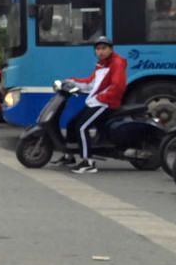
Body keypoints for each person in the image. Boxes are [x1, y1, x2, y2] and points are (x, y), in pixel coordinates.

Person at [55, 34, 128, 174]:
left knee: (82, 127)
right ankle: (69, 157)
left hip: (106, 103)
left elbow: (118, 86)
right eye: (98, 49)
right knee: (71, 124)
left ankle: (88, 162)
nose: (100, 51)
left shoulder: (117, 63)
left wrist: (102, 97)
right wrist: (71, 81)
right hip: (96, 102)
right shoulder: (101, 64)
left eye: (104, 48)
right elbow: (90, 83)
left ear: (111, 49)